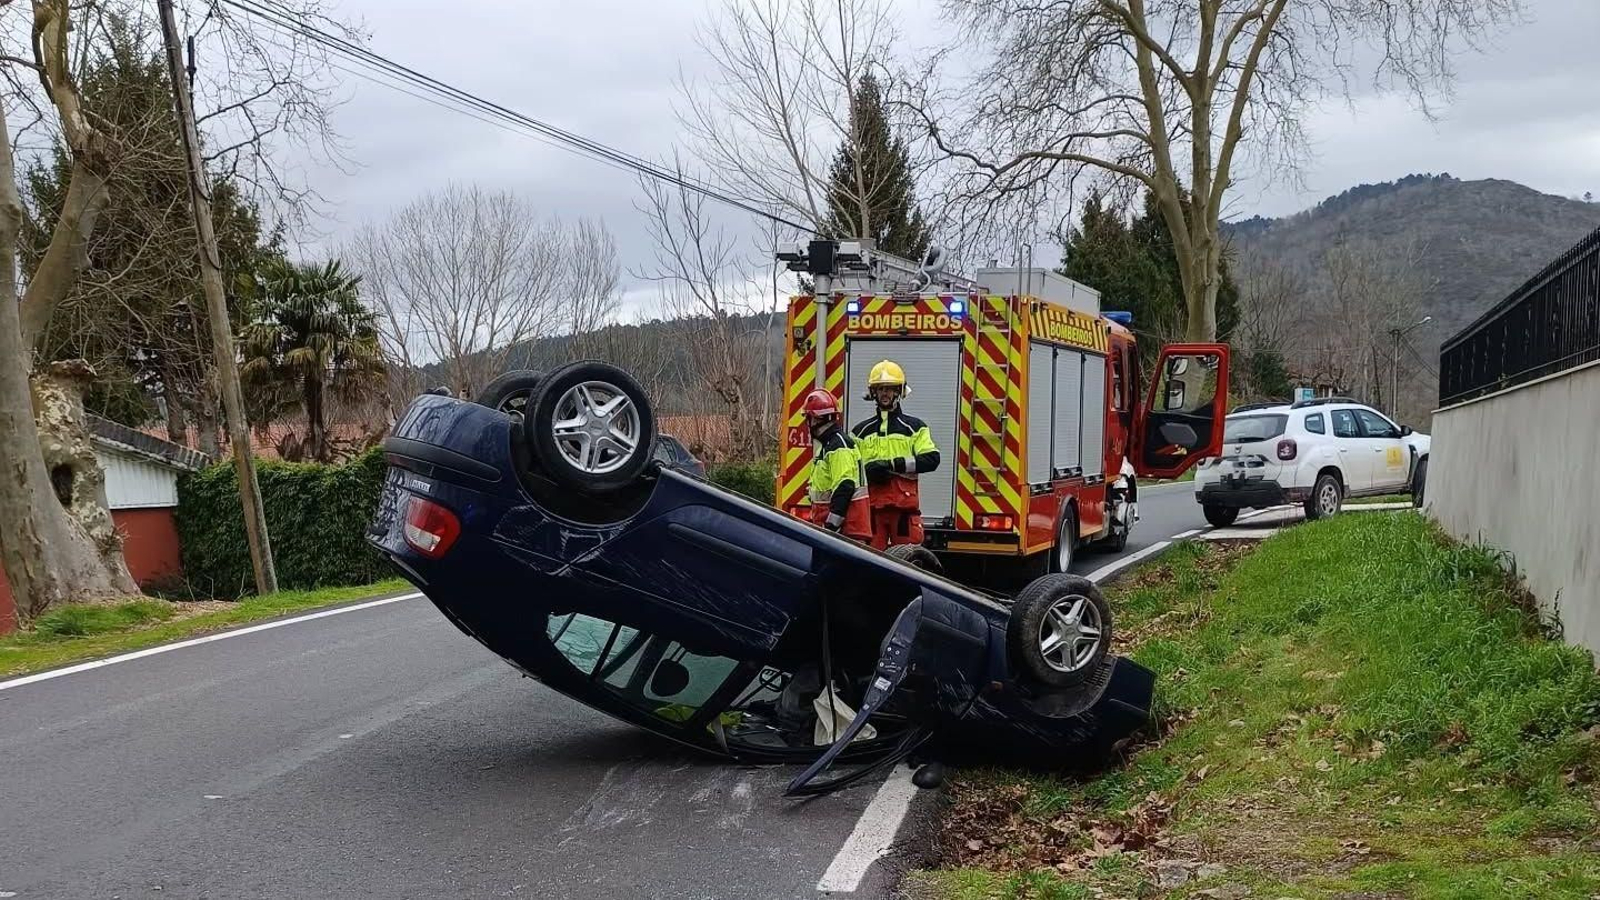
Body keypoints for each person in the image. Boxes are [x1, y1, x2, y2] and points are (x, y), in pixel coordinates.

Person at [852, 360, 940, 550]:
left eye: (890, 389)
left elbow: (932, 460)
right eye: (880, 388)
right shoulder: (859, 432)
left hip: (904, 513)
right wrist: (868, 472)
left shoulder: (915, 428)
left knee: (908, 564)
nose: (885, 393)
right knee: (870, 563)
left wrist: (893, 465)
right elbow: (851, 470)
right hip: (872, 511)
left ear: (899, 392)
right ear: (873, 393)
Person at [803, 389, 871, 541]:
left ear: (817, 420)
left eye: (809, 418)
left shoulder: (838, 446)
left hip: (846, 534)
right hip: (843, 533)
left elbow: (845, 486)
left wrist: (831, 527)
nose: (808, 424)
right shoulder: (829, 445)